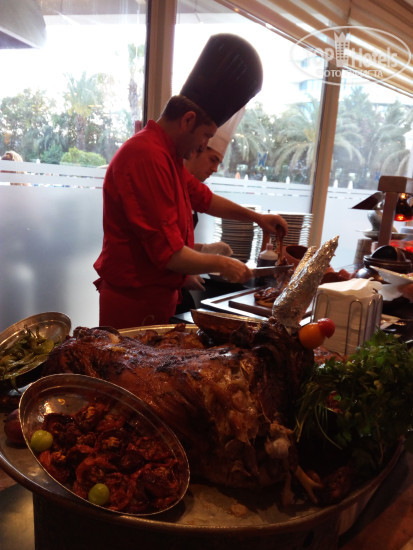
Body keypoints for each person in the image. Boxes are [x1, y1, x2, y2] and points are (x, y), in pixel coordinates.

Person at [93, 34, 287, 329]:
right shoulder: (146, 155)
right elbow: (169, 254)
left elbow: (204, 199)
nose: (203, 145)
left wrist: (257, 218)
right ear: (187, 120)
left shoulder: (167, 155)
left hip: (155, 297)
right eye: (206, 135)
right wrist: (223, 264)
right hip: (133, 302)